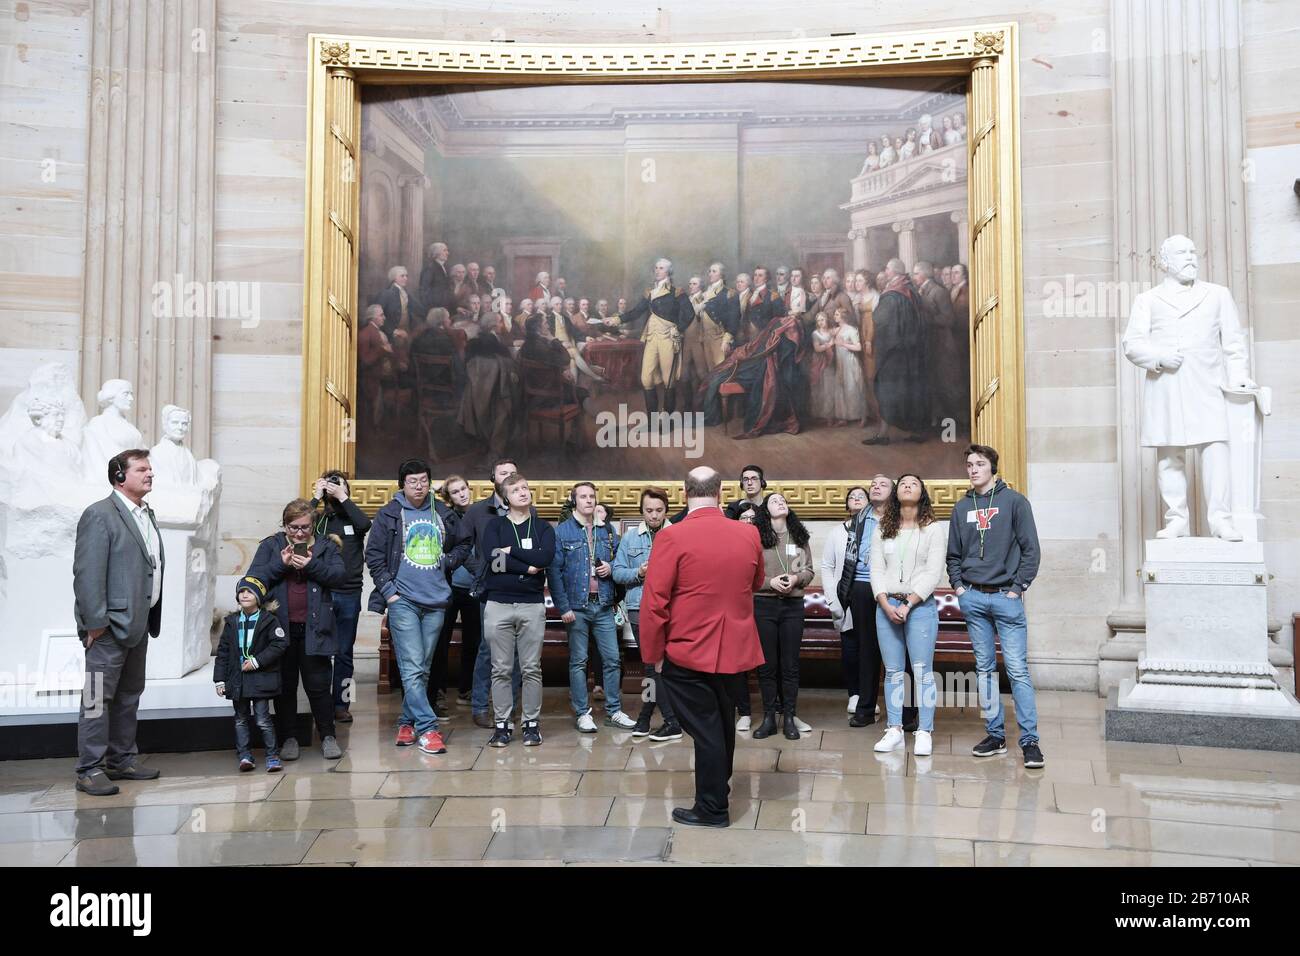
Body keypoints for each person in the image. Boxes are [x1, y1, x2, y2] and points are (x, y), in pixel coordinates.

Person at [639, 466, 766, 828]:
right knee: (723, 721)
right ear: (721, 492)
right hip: (735, 647)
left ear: (683, 494)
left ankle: (712, 809)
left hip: (688, 648)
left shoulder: (671, 537)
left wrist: (653, 657)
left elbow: (654, 604)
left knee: (707, 729)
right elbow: (755, 582)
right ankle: (719, 787)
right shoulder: (747, 534)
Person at [71, 450, 165, 796]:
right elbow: (87, 573)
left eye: (150, 468)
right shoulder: (99, 514)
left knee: (128, 696)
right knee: (97, 697)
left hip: (138, 625)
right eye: (142, 469)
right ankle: (88, 769)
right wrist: (95, 624)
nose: (150, 474)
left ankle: (121, 759)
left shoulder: (144, 514)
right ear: (119, 476)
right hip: (108, 628)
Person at [946, 444, 1044, 768]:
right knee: (985, 671)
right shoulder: (961, 508)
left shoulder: (1014, 502)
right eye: (969, 465)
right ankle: (995, 735)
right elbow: (953, 555)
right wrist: (960, 587)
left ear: (993, 468)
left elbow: (1031, 550)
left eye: (980, 464)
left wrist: (1018, 588)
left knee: (1016, 670)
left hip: (1006, 597)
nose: (973, 469)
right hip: (973, 597)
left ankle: (1029, 741)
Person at [364, 458, 471, 755]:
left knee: (421, 668)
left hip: (436, 600)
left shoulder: (443, 513)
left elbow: (464, 543)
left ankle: (406, 722)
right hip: (404, 602)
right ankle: (428, 728)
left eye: (424, 480)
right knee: (412, 667)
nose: (419, 486)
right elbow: (373, 556)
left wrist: (448, 561)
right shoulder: (390, 514)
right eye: (413, 481)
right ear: (402, 484)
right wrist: (390, 593)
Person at [248, 498, 349, 762]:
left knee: (318, 685)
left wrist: (311, 565)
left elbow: (340, 578)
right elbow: (252, 581)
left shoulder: (327, 546)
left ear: (313, 525)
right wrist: (280, 565)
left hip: (316, 628)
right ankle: (289, 738)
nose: (299, 533)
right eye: (293, 528)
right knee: (285, 686)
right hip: (280, 630)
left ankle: (328, 736)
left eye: (305, 527)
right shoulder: (272, 546)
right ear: (284, 526)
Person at [548, 482, 637, 731]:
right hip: (577, 606)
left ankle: (614, 711)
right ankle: (582, 712)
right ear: (574, 500)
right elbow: (555, 572)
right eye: (583, 496)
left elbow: (618, 563)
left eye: (592, 496)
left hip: (604, 605)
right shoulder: (563, 532)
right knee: (579, 661)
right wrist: (563, 606)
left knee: (612, 659)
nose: (588, 500)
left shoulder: (607, 531)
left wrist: (609, 567)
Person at [869, 475, 946, 756]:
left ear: (922, 492)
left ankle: (924, 730)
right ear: (896, 493)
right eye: (902, 483)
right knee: (892, 672)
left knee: (923, 671)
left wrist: (909, 603)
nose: (907, 486)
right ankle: (894, 729)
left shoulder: (933, 529)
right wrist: (885, 603)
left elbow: (933, 572)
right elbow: (876, 569)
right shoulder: (882, 528)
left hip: (920, 607)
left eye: (914, 483)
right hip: (886, 605)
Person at [479, 472, 555, 747]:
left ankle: (531, 724)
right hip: (498, 603)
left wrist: (511, 551)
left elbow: (545, 557)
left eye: (525, 487)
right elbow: (493, 559)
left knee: (531, 667)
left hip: (531, 605)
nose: (523, 493)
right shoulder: (494, 526)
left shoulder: (543, 528)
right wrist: (527, 566)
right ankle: (502, 724)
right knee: (500, 668)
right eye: (516, 490)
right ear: (506, 498)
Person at [837, 474, 912, 729]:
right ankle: (865, 708)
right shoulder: (860, 517)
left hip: (893, 589)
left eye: (883, 484)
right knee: (866, 650)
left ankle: (909, 713)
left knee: (902, 651)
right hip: (861, 587)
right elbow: (851, 556)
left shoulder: (901, 515)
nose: (875, 487)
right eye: (873, 484)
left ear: (893, 492)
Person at [612, 487, 681, 741]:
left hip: (671, 609)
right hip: (639, 608)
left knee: (660, 668)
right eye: (649, 511)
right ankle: (668, 721)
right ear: (642, 511)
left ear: (666, 511)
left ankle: (646, 718)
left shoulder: (676, 535)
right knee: (652, 666)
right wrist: (639, 573)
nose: (654, 516)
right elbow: (618, 572)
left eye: (659, 511)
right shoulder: (630, 538)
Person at [308, 471, 371, 724]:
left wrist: (343, 497)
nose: (333, 487)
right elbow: (298, 526)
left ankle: (342, 704)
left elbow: (365, 524)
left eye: (339, 483)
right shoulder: (319, 520)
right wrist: (315, 498)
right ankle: (321, 704)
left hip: (349, 593)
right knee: (319, 652)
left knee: (345, 652)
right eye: (329, 483)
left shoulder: (353, 518)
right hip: (322, 593)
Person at [750, 493, 814, 740]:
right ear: (765, 510)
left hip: (792, 608)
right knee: (767, 665)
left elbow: (809, 571)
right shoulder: (755, 537)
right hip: (764, 606)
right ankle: (768, 718)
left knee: (790, 665)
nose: (780, 502)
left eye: (783, 499)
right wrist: (770, 583)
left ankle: (789, 717)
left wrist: (797, 579)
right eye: (773, 500)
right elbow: (749, 573)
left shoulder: (799, 536)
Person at [464, 459, 521, 728]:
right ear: (493, 479)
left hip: (519, 589)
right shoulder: (477, 512)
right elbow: (463, 547)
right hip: (489, 590)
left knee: (518, 653)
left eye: (513, 473)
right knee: (488, 650)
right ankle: (480, 707)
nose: (508, 476)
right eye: (503, 473)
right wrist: (481, 570)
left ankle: (510, 708)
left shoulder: (525, 510)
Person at [701, 291, 803, 438]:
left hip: (769, 363)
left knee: (738, 373)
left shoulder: (791, 325)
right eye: (790, 308)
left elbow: (780, 349)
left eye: (795, 308)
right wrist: (745, 352)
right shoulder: (776, 321)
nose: (791, 311)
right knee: (718, 375)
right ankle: (712, 416)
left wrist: (754, 354)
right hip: (756, 357)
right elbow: (759, 343)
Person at [214, 576, 288, 772]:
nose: (244, 594)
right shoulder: (231, 622)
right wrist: (219, 680)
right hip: (238, 680)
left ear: (259, 597)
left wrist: (256, 661)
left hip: (260, 679)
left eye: (250, 592)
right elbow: (223, 652)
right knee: (240, 719)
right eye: (241, 592)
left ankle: (272, 756)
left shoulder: (269, 620)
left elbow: (279, 644)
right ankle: (245, 756)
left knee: (263, 719)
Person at [609, 257, 693, 418]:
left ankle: (667, 420)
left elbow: (689, 314)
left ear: (668, 271)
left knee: (669, 380)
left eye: (661, 268)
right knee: (646, 379)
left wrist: (678, 328)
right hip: (651, 338)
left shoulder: (676, 292)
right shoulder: (650, 292)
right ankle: (653, 420)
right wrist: (617, 319)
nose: (657, 270)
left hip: (668, 338)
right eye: (656, 268)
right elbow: (636, 312)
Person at [428, 475, 482, 712]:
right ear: (448, 498)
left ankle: (466, 689)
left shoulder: (479, 514)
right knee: (441, 641)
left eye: (464, 489)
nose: (462, 494)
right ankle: (438, 690)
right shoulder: (445, 517)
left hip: (473, 587)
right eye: (456, 492)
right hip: (449, 587)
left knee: (473, 640)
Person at [863, 258, 930, 445]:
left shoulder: (892, 294)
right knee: (909, 390)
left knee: (887, 390)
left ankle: (884, 434)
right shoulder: (912, 291)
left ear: (892, 272)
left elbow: (879, 319)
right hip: (910, 351)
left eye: (886, 269)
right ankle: (912, 431)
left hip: (893, 353)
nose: (885, 271)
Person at [822, 485, 869, 715]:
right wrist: (833, 601)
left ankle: (869, 695)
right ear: (847, 505)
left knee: (870, 649)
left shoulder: (877, 529)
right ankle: (855, 694)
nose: (857, 499)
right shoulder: (837, 532)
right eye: (852, 496)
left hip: (871, 598)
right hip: (845, 599)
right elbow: (827, 567)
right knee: (850, 648)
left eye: (861, 496)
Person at [831, 307, 866, 425]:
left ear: (843, 317)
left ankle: (861, 416)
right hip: (840, 362)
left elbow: (858, 347)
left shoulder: (851, 329)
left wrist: (844, 344)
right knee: (841, 388)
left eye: (836, 314)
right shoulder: (837, 329)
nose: (834, 316)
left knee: (853, 388)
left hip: (850, 362)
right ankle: (843, 417)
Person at [810, 312, 838, 425]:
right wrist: (830, 344)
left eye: (823, 319)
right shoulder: (815, 333)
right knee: (819, 389)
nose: (821, 322)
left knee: (829, 389)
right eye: (819, 320)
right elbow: (817, 349)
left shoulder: (832, 331)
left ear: (827, 319)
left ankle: (830, 417)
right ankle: (821, 415)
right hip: (819, 362)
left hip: (830, 361)